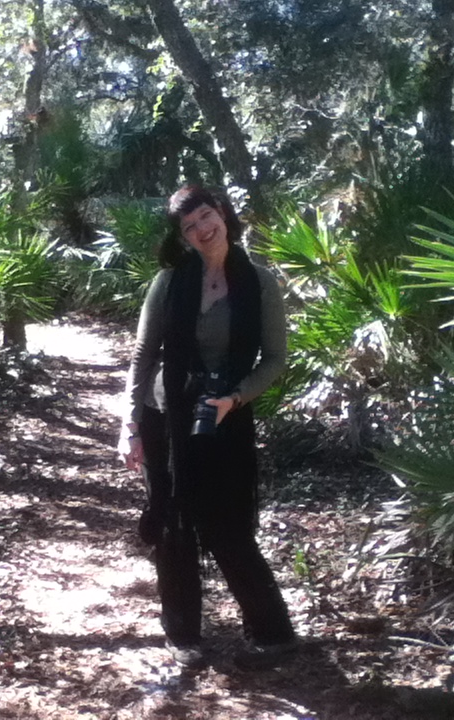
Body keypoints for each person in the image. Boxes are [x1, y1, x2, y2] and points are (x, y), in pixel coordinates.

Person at [118, 184, 296, 670]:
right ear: (182, 235)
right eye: (188, 225)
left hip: (224, 420)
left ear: (222, 212)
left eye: (205, 216)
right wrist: (129, 422)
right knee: (174, 526)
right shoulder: (169, 281)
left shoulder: (260, 282)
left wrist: (234, 398)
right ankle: (183, 635)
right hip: (165, 417)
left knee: (229, 526)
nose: (200, 229)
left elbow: (276, 359)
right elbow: (143, 354)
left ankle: (271, 630)